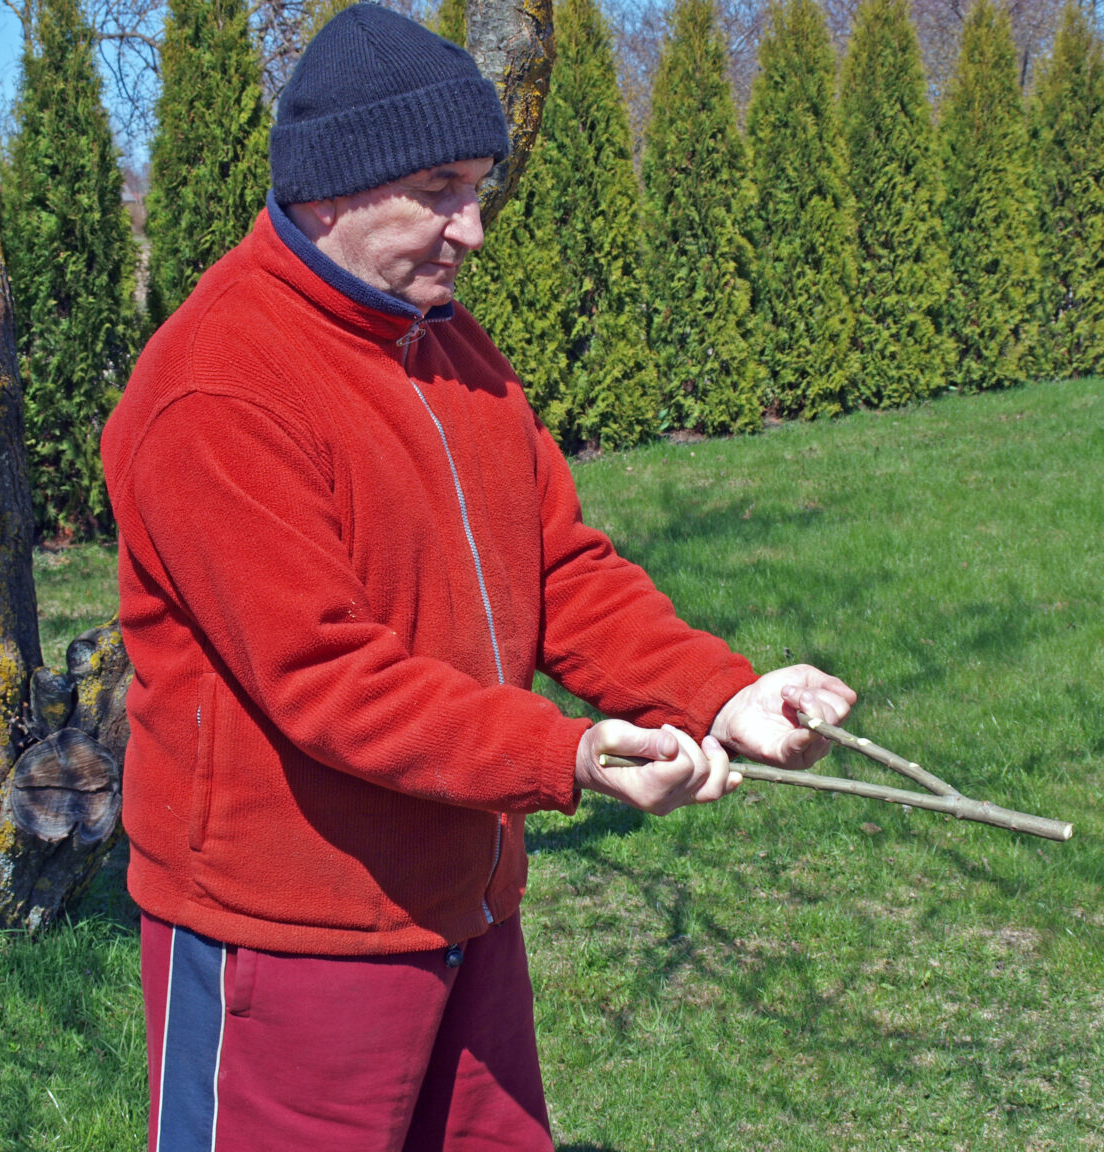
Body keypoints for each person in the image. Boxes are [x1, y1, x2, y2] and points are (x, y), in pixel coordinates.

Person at [101, 5, 855, 1150]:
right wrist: (566, 755)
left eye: (480, 187)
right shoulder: (217, 390)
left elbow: (559, 567)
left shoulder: (447, 343)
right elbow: (327, 678)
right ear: (335, 188)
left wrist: (719, 695)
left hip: (467, 900)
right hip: (284, 935)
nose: (474, 230)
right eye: (441, 189)